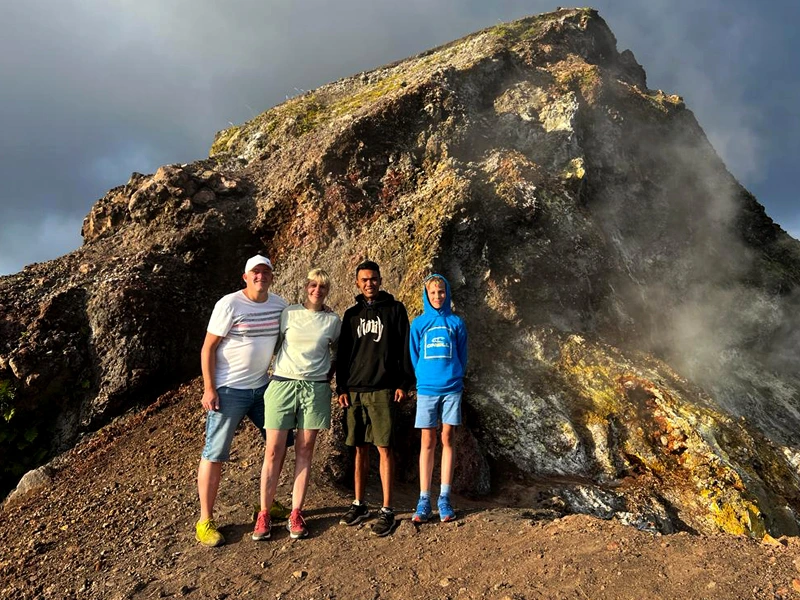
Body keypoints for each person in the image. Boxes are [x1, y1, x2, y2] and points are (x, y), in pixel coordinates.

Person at [195, 255, 289, 547]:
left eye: (265, 272)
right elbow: (208, 348)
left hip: (263, 388)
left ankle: (267, 502)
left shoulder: (280, 305)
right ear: (245, 277)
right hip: (229, 390)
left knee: (280, 443)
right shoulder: (229, 304)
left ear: (271, 276)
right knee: (216, 452)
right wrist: (209, 388)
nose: (260, 276)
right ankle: (205, 520)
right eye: (255, 272)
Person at [253, 268, 341, 541]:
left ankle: (296, 511)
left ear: (327, 290)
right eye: (313, 285)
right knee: (273, 451)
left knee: (305, 451)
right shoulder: (289, 313)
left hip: (314, 389)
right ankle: (264, 513)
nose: (317, 290)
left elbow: (337, 353)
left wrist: (326, 377)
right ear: (306, 287)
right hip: (282, 384)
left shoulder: (332, 320)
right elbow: (274, 344)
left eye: (322, 287)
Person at [336, 260, 415, 537]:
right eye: (364, 280)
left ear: (380, 280)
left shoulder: (395, 310)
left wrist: (404, 382)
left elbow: (405, 346)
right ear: (357, 283)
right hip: (355, 391)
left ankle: (387, 509)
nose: (369, 283)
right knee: (358, 447)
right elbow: (343, 354)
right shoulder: (351, 315)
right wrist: (341, 387)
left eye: (373, 279)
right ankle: (359, 504)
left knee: (384, 447)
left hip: (383, 389)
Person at [409, 274, 468, 523]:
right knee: (427, 440)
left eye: (441, 292)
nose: (437, 297)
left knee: (447, 437)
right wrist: (423, 377)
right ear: (426, 294)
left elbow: (462, 355)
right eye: (433, 293)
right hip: (427, 389)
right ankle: (424, 499)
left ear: (447, 293)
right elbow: (414, 355)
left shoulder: (456, 323)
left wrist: (455, 376)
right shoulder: (419, 324)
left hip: (452, 387)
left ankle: (444, 497)